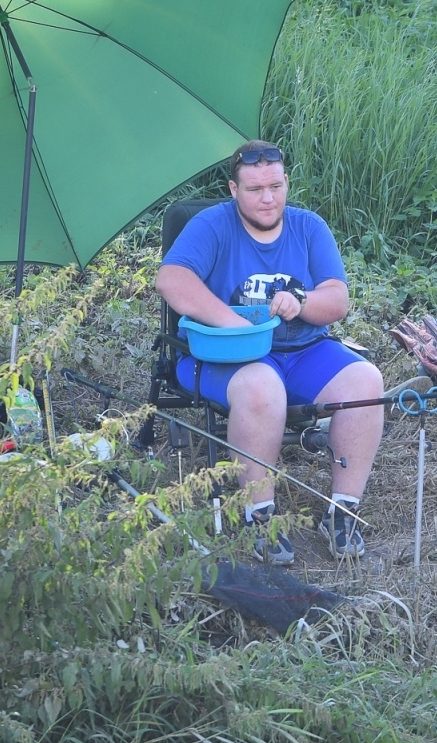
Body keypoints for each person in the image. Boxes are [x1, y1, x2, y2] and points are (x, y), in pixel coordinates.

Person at [155, 140, 384, 563]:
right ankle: (258, 514)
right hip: (222, 356)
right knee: (262, 386)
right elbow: (171, 280)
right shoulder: (211, 225)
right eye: (255, 189)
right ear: (232, 189)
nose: (267, 198)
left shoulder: (308, 226)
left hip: (302, 349)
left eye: (275, 187)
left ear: (286, 183)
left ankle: (342, 511)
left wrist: (303, 303)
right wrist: (235, 323)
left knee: (367, 381)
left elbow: (337, 299)